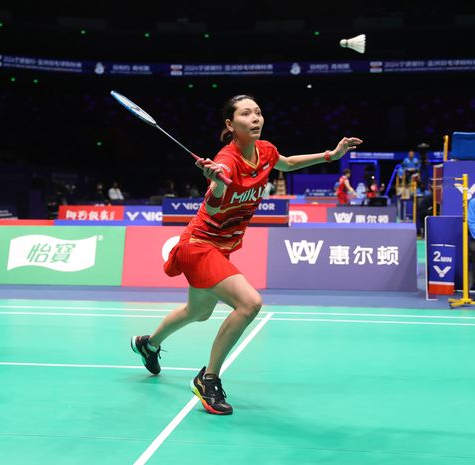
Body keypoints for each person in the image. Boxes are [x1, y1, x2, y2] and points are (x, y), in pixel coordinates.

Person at [130, 94, 362, 415]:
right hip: (200, 244)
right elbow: (213, 203)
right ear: (230, 125)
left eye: (258, 112)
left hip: (222, 247)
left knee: (198, 313)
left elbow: (289, 163)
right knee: (249, 303)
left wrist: (330, 155)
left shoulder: (265, 151)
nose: (255, 118)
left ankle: (148, 344)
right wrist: (218, 184)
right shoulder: (226, 160)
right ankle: (208, 379)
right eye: (245, 114)